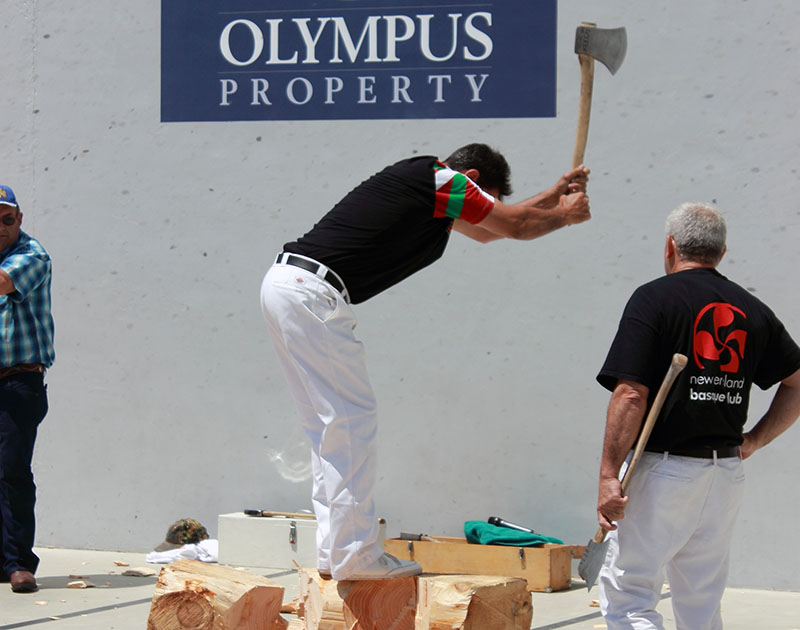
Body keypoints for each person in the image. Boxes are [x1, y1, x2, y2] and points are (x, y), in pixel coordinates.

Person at [261, 143, 590, 580]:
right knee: (350, 423)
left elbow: (492, 229)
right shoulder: (438, 178)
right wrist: (565, 214)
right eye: (486, 197)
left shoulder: (435, 195)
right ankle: (353, 556)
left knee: (330, 429)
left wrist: (553, 195)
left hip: (292, 287)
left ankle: (336, 552)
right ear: (469, 177)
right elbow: (513, 225)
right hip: (310, 293)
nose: (485, 209)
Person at [595, 202, 800, 629]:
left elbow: (630, 394)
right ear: (721, 253)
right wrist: (755, 440)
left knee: (630, 597)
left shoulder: (653, 299)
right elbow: (797, 383)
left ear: (669, 247)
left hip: (663, 471)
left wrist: (608, 475)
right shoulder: (751, 308)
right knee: (701, 602)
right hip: (723, 475)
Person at [0, 185, 54, 594]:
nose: (2, 227)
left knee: (12, 471)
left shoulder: (31, 256)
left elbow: (2, 283)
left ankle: (19, 562)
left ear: (20, 219)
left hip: (19, 381)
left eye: (7, 218)